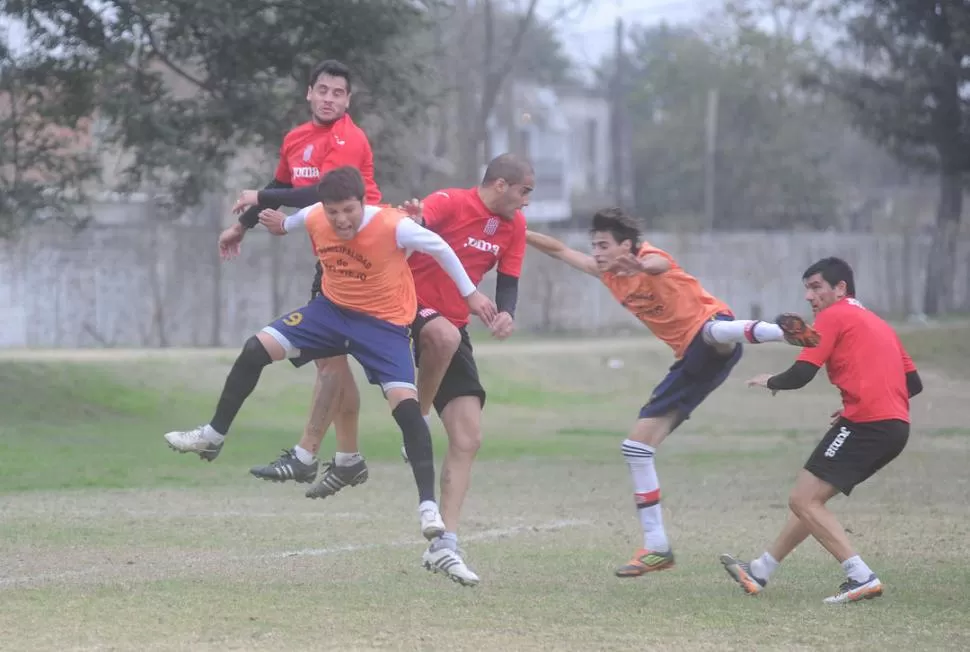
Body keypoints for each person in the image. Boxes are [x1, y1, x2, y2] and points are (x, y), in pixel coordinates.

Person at [163, 167, 498, 541]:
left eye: (349, 210)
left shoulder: (392, 225)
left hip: (382, 325)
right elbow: (287, 223)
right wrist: (271, 223)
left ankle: (428, 510)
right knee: (256, 348)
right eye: (333, 211)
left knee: (406, 408)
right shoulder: (314, 217)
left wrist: (470, 294)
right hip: (330, 314)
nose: (341, 220)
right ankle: (213, 435)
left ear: (362, 202)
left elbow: (440, 247)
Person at [254, 153, 535, 586]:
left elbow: (510, 279)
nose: (527, 201)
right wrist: (415, 214)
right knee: (436, 338)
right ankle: (390, 429)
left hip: (453, 325)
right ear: (500, 184)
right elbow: (413, 215)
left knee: (468, 437)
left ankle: (445, 543)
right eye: (524, 191)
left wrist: (507, 312)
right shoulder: (452, 201)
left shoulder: (515, 228)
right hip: (404, 310)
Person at [524, 208, 821, 578]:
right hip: (693, 361)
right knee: (636, 448)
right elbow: (558, 250)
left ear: (627, 245)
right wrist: (519, 231)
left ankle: (781, 332)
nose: (596, 253)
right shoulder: (606, 273)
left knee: (714, 333)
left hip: (713, 331)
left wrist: (639, 266)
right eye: (594, 246)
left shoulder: (650, 256)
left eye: (604, 245)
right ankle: (656, 547)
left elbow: (655, 265)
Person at [720, 257, 923, 604]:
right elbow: (913, 384)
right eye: (807, 289)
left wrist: (770, 380)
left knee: (803, 500)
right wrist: (861, 399)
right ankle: (760, 570)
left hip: (868, 423)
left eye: (816, 287)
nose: (809, 296)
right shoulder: (877, 323)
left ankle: (861, 577)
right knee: (810, 502)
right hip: (893, 427)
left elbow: (800, 375)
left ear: (840, 288)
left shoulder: (833, 315)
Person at [220, 59, 379, 486]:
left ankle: (310, 456)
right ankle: (346, 460)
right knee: (332, 363)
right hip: (334, 263)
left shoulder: (349, 139)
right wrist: (242, 225)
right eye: (323, 90)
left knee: (334, 364)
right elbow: (283, 184)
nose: (329, 99)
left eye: (338, 93)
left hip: (370, 263)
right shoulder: (296, 139)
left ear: (349, 100)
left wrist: (263, 195)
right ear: (309, 93)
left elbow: (319, 192)